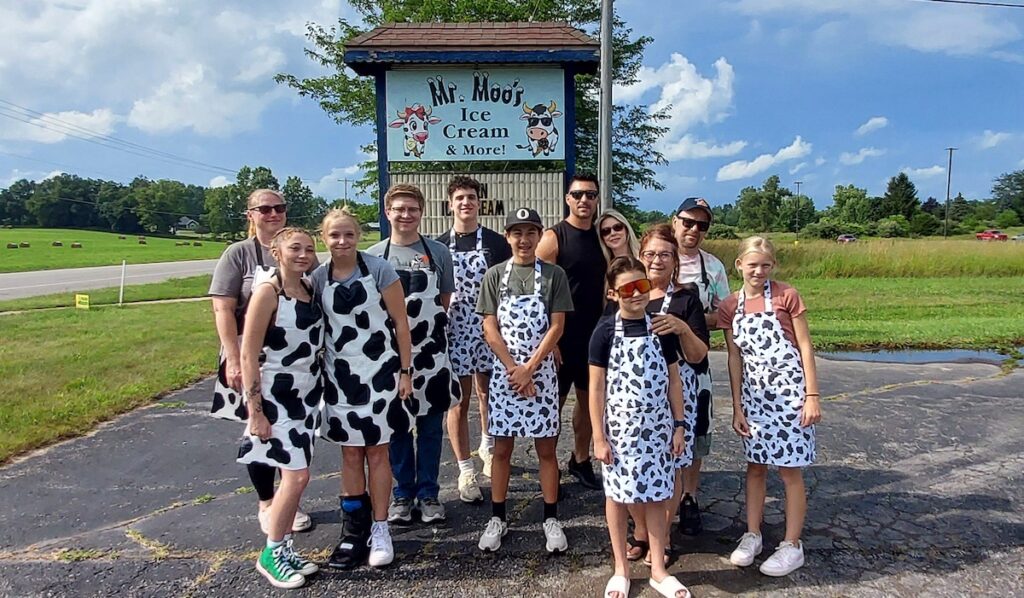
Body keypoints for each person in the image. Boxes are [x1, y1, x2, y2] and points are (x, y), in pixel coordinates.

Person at [209, 188, 314, 534]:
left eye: (279, 208)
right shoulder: (238, 255)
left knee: (288, 435)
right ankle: (267, 502)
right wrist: (234, 358)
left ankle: (289, 501)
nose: (273, 214)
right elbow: (223, 307)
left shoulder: (300, 252)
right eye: (265, 209)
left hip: (291, 365)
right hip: (250, 355)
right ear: (250, 215)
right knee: (259, 433)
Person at [314, 207, 413, 570]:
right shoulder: (317, 278)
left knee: (378, 453)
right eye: (334, 235)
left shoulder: (380, 270)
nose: (342, 241)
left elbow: (401, 324)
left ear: (359, 236)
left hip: (381, 375)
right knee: (351, 455)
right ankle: (353, 532)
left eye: (349, 234)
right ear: (323, 238)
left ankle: (381, 528)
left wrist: (405, 371)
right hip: (340, 379)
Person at [718, 236, 822, 577]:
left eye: (765, 265)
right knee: (756, 466)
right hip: (756, 398)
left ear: (772, 266)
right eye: (752, 265)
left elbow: (805, 347)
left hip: (791, 396)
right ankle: (753, 534)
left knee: (790, 470)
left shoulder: (786, 295)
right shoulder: (731, 305)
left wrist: (812, 396)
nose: (758, 271)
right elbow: (734, 358)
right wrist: (737, 406)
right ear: (739, 266)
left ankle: (792, 544)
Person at [590, 256, 691, 598]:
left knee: (658, 496)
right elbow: (596, 388)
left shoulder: (661, 328)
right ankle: (621, 569)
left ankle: (659, 570)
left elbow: (675, 381)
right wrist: (599, 437)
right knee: (617, 498)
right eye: (628, 289)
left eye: (642, 286)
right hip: (618, 433)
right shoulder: (604, 331)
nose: (636, 294)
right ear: (613, 294)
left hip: (659, 430)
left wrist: (679, 426)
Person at [476, 207, 574, 554]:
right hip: (505, 374)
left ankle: (550, 516)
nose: (524, 239)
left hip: (542, 372)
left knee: (546, 449)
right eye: (517, 233)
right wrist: (513, 369)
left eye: (531, 232)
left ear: (539, 235)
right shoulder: (494, 276)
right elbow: (490, 328)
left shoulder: (553, 275)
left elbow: (557, 326)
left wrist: (529, 368)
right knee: (502, 448)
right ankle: (498, 517)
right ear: (508, 237)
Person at [367, 183, 459, 526]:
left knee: (432, 428)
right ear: (388, 212)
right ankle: (403, 495)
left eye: (413, 209)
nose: (406, 215)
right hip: (390, 357)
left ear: (421, 213)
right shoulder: (375, 256)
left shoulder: (437, 252)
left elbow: (445, 298)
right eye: (399, 209)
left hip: (432, 355)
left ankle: (429, 494)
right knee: (399, 429)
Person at [237, 227, 323, 589]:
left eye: (308, 249)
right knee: (296, 477)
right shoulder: (266, 293)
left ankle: (284, 546)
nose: (302, 255)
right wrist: (255, 410)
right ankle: (270, 554)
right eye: (294, 249)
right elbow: (248, 353)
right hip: (276, 398)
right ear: (276, 252)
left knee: (297, 478)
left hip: (306, 398)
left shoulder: (308, 290)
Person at [625, 225, 709, 566]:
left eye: (664, 254)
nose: (656, 261)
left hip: (677, 395)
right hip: (633, 395)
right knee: (633, 462)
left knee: (671, 466)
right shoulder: (628, 294)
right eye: (650, 254)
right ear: (640, 258)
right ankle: (642, 531)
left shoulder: (687, 299)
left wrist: (682, 327)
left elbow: (699, 354)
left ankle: (665, 534)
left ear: (675, 260)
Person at [435, 176, 512, 503]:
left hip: (489, 326)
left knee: (489, 393)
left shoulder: (496, 242)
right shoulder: (438, 246)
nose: (466, 203)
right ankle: (465, 469)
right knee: (458, 400)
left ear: (479, 203)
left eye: (471, 198)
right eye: (460, 198)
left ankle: (488, 448)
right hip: (454, 329)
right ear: (450, 204)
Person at [537, 173, 607, 491]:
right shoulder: (554, 238)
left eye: (590, 195)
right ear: (568, 198)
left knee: (588, 404)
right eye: (578, 194)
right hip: (561, 336)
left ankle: (580, 459)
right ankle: (548, 469)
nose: (584, 200)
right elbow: (534, 289)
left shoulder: (601, 237)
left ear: (596, 199)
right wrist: (546, 339)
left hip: (594, 336)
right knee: (553, 405)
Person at [671, 196, 730, 535]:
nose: (694, 230)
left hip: (697, 364)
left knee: (695, 433)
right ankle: (662, 494)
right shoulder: (656, 256)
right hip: (658, 361)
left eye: (702, 225)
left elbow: (724, 315)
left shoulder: (714, 267)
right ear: (675, 221)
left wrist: (691, 319)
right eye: (688, 222)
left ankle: (689, 498)